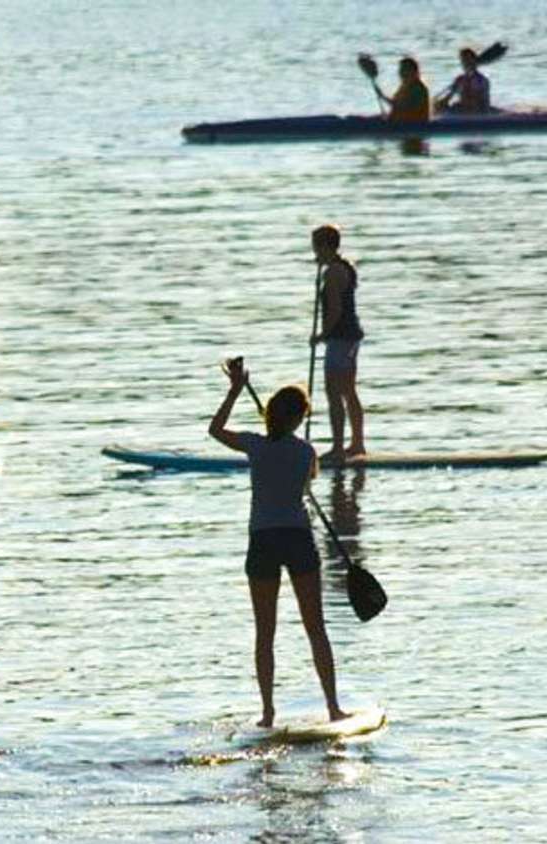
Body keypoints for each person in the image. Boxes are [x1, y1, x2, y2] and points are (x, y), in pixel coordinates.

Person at [209, 357, 348, 728]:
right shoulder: (306, 452)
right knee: (315, 627)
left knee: (264, 631)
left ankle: (268, 713)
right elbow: (306, 482)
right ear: (298, 418)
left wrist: (235, 391)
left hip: (263, 541)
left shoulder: (254, 444)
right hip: (297, 538)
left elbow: (215, 430)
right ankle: (333, 707)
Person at [309, 225, 366, 462]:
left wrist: (321, 336)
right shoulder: (345, 267)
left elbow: (334, 310)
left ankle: (338, 448)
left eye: (315, 246)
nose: (313, 252)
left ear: (325, 246)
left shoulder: (332, 272)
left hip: (340, 337)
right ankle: (357, 443)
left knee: (334, 392)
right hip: (351, 335)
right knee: (349, 390)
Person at [435, 47, 491, 113]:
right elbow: (447, 98)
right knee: (437, 106)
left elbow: (483, 104)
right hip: (462, 112)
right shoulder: (459, 80)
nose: (465, 63)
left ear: (474, 61)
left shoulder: (482, 80)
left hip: (477, 114)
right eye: (463, 60)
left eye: (468, 60)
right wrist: (438, 104)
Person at [375, 56, 430, 123]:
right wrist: (381, 95)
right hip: (399, 122)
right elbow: (396, 104)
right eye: (400, 70)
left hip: (412, 124)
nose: (400, 73)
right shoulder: (404, 86)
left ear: (413, 71)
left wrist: (383, 97)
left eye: (404, 70)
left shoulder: (419, 89)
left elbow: (401, 106)